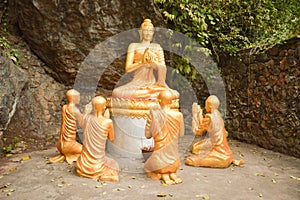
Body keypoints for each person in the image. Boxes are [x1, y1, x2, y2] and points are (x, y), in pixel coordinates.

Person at [112, 19, 178, 99]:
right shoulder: (133, 46)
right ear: (140, 32)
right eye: (145, 30)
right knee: (117, 92)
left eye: (150, 31)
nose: (148, 33)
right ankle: (152, 97)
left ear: (153, 33)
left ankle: (152, 96)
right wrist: (142, 62)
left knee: (173, 94)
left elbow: (162, 67)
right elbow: (128, 68)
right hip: (136, 83)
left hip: (153, 84)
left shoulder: (157, 47)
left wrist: (153, 63)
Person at [185, 95, 244, 168]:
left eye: (206, 104)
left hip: (220, 152)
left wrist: (194, 114)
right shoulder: (217, 114)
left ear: (209, 106)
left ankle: (217, 156)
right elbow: (205, 125)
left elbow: (197, 132)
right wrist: (199, 115)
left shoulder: (209, 117)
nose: (205, 107)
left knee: (190, 160)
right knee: (196, 148)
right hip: (219, 145)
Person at [144, 90, 184, 185]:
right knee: (170, 167)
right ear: (171, 101)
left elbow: (147, 135)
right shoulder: (179, 115)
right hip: (175, 163)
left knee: (146, 167)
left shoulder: (154, 114)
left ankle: (161, 175)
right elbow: (181, 134)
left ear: (159, 101)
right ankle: (172, 174)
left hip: (159, 163)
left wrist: (151, 119)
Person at [75, 96, 119, 182]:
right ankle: (105, 176)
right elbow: (111, 138)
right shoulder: (108, 122)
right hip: (99, 164)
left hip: (83, 164)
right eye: (104, 105)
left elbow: (81, 121)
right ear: (104, 107)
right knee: (113, 164)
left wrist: (85, 112)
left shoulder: (87, 118)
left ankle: (87, 172)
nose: (105, 107)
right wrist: (107, 119)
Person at [49, 89, 82, 164]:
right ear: (74, 98)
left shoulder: (64, 107)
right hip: (69, 144)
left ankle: (66, 153)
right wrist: (87, 111)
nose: (79, 99)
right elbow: (82, 122)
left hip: (60, 144)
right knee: (87, 152)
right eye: (78, 97)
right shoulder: (75, 110)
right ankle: (70, 153)